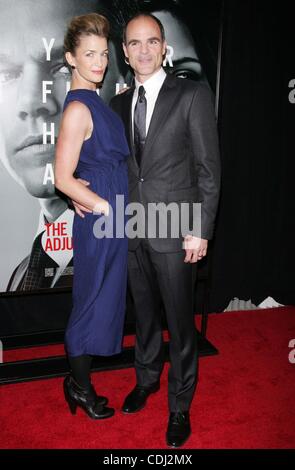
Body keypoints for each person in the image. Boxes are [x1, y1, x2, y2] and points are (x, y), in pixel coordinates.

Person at [110, 13, 221, 446]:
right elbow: (121, 170)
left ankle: (180, 404)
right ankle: (147, 378)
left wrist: (201, 229)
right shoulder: (118, 104)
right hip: (133, 226)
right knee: (145, 316)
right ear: (125, 50)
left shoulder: (191, 94)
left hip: (177, 229)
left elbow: (209, 169)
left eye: (151, 42)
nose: (143, 50)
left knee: (180, 321)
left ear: (163, 47)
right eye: (134, 43)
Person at [0, 0, 126, 292]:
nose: (31, 102)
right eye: (5, 74)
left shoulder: (133, 254)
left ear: (124, 81)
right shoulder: (22, 272)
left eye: (64, 67)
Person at [54, 13, 129, 419]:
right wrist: (103, 206)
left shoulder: (95, 101)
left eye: (102, 53)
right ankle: (79, 386)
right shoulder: (79, 109)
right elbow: (64, 178)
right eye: (89, 54)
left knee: (103, 299)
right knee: (88, 301)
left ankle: (78, 381)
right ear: (71, 58)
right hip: (103, 219)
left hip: (113, 216)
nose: (99, 63)